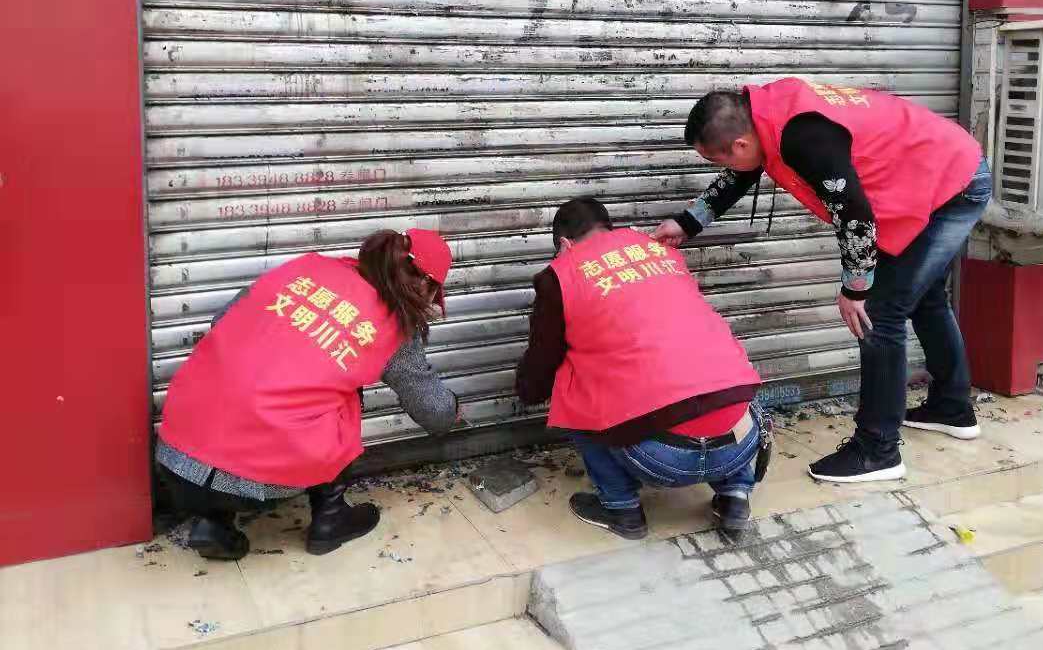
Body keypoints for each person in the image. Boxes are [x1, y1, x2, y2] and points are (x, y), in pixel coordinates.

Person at [654, 80, 991, 484]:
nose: (719, 167)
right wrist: (688, 222)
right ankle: (951, 408)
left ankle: (877, 450)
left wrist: (856, 288)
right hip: (934, 172)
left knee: (878, 314)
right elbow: (744, 170)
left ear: (740, 143)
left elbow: (854, 213)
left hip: (953, 186)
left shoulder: (804, 136)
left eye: (716, 159)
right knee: (925, 297)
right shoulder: (764, 114)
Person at [156, 228, 459, 560]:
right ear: (425, 285)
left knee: (246, 375)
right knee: (341, 395)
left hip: (175, 456)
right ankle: (330, 517)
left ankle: (213, 521)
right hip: (255, 480)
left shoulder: (308, 268)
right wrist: (453, 410)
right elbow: (432, 411)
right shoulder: (393, 326)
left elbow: (221, 320)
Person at [516, 196, 767, 541]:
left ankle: (622, 509)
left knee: (573, 377)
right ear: (609, 229)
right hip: (743, 443)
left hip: (661, 459)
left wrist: (527, 392)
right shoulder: (659, 250)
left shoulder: (562, 274)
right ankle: (736, 496)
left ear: (564, 244)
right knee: (713, 369)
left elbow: (544, 359)